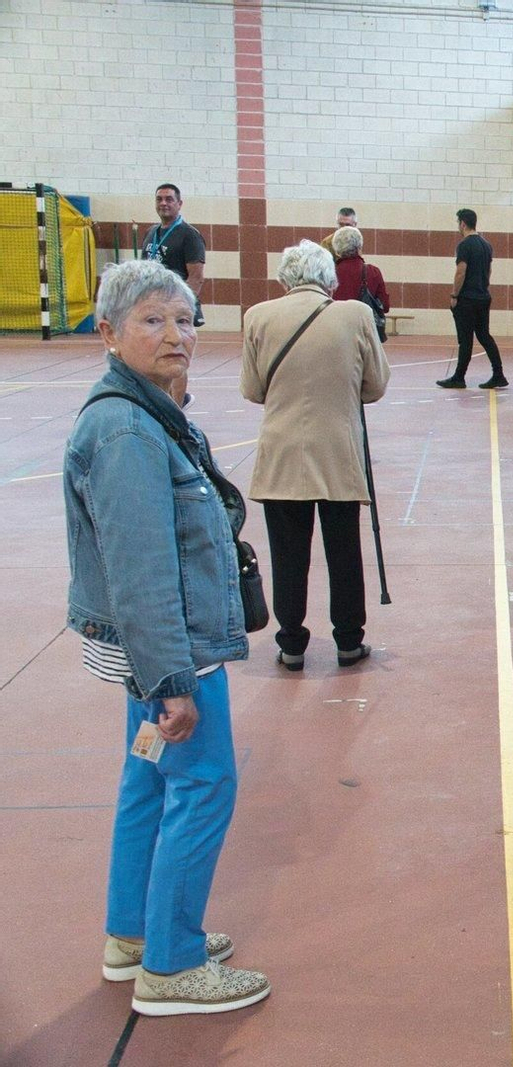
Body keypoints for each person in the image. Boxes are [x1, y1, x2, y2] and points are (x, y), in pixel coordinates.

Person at [65, 259, 269, 1015]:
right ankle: (174, 964)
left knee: (148, 777)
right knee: (204, 780)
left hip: (156, 646)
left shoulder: (146, 410)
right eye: (153, 320)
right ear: (109, 332)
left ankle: (134, 934)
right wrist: (172, 682)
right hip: (169, 648)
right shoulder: (125, 430)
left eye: (185, 319)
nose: (176, 335)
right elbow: (142, 570)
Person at [241, 241, 390, 670]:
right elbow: (376, 387)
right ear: (329, 278)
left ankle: (291, 645)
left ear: (284, 279)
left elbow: (252, 390)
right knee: (344, 551)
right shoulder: (357, 315)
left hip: (282, 453)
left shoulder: (258, 316)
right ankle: (348, 640)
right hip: (338, 451)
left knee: (288, 555)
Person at [437, 208, 507, 390]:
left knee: (465, 340)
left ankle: (459, 378)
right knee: (484, 336)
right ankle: (498, 374)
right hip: (483, 297)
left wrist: (454, 295)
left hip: (467, 299)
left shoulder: (464, 245)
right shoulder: (486, 245)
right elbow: (489, 271)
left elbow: (461, 271)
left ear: (462, 223)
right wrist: (482, 286)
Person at [142, 183, 206, 327]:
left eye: (169, 199)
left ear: (179, 204)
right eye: (159, 199)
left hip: (174, 308)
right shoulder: (150, 232)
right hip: (152, 306)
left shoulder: (189, 235)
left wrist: (180, 307)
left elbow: (196, 277)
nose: (163, 203)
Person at [329, 226, 390, 324]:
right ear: (359, 247)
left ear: (337, 250)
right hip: (364, 330)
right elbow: (385, 306)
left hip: (336, 329)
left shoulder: (329, 274)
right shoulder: (373, 272)